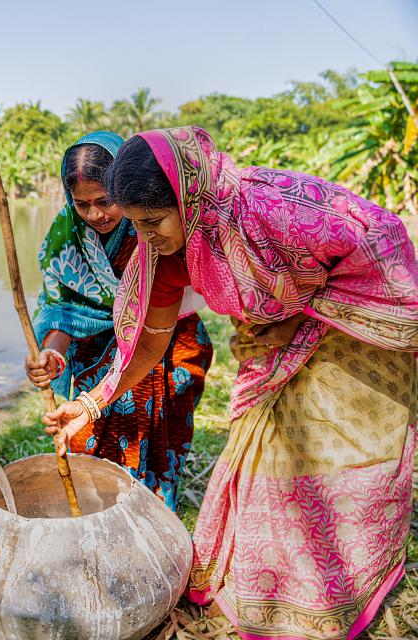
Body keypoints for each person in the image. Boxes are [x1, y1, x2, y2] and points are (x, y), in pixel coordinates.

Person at [44, 125, 418, 639]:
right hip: (276, 340)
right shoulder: (166, 254)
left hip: (350, 326)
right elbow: (149, 344)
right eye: (137, 225)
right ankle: (275, 588)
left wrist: (305, 316)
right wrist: (91, 403)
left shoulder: (272, 211)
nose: (146, 240)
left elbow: (379, 237)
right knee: (270, 458)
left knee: (339, 456)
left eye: (154, 222)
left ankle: (341, 583)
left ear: (187, 194)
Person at [26, 131, 212, 511]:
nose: (96, 215)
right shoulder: (67, 237)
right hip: (98, 356)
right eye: (82, 204)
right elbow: (67, 309)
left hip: (166, 340)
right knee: (88, 435)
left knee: (160, 432)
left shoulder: (154, 226)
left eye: (105, 201)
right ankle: (99, 511)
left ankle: (153, 509)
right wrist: (52, 352)